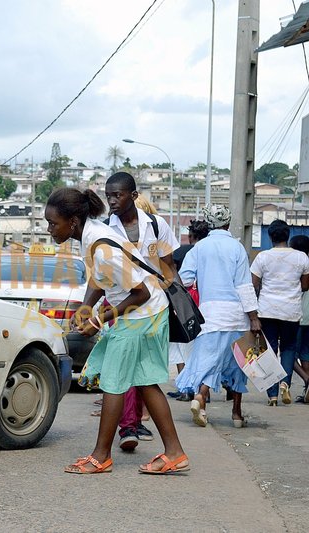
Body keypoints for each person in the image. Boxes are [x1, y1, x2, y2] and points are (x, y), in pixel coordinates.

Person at [45, 187, 188, 475]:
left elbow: (140, 293)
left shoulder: (102, 248)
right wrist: (86, 307)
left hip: (142, 314)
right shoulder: (92, 236)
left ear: (72, 222)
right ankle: (175, 453)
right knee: (146, 382)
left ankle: (101, 457)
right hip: (148, 312)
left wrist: (99, 320)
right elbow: (100, 280)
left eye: (52, 223)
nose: (49, 230)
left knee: (113, 382)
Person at [102, 172, 180, 452]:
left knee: (141, 378)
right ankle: (130, 430)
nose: (112, 201)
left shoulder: (157, 225)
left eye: (117, 195)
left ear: (133, 196)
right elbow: (99, 277)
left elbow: (169, 267)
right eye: (108, 196)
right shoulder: (105, 230)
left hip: (154, 310)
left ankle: (107, 450)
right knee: (124, 377)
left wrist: (173, 300)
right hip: (121, 310)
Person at [176, 204, 261, 428]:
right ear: (228, 223)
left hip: (209, 316)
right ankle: (237, 414)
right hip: (236, 316)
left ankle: (200, 398)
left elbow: (184, 280)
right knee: (239, 364)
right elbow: (244, 286)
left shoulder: (199, 248)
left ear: (208, 223)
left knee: (208, 360)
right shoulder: (237, 248)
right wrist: (254, 317)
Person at [250, 220, 309, 405]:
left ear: (270, 236)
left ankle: (273, 395)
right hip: (291, 311)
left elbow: (254, 285)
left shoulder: (262, 257)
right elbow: (305, 286)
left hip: (267, 310)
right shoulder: (301, 257)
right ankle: (285, 383)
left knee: (269, 351)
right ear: (287, 235)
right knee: (288, 348)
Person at [167, 219, 211, 401]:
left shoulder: (182, 252)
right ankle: (203, 390)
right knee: (202, 351)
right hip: (208, 305)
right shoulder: (211, 252)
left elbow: (177, 279)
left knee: (181, 348)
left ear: (191, 236)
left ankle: (185, 389)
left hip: (185, 306)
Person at [289, 234, 309, 403]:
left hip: (297, 315)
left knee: (289, 352)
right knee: (306, 353)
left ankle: (307, 379)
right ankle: (307, 388)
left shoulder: (297, 266)